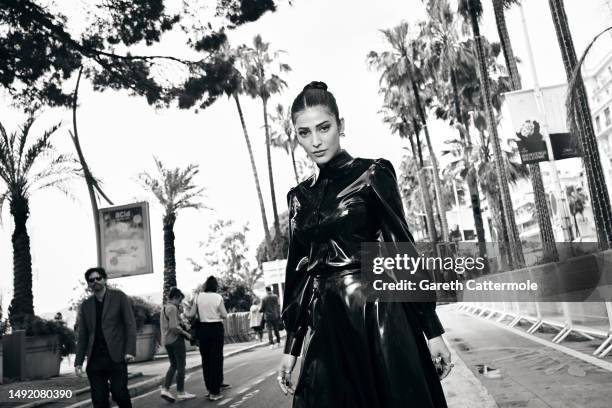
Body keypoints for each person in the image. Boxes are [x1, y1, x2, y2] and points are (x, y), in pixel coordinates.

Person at [277, 82, 452, 407]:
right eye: (304, 133)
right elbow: (298, 278)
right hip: (326, 325)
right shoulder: (299, 198)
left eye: (323, 128)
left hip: (379, 316)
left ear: (340, 126)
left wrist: (432, 331)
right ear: (296, 136)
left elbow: (400, 251)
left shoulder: (373, 174)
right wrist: (292, 346)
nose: (315, 141)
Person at [74, 267, 137, 408]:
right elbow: (83, 334)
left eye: (98, 278)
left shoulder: (119, 297)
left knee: (119, 392)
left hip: (116, 356)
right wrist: (78, 361)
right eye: (91, 280)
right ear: (89, 284)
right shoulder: (86, 305)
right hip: (95, 360)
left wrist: (130, 350)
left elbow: (130, 324)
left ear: (105, 279)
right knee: (99, 400)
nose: (95, 281)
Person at [187, 276, 229, 401]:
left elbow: (191, 314)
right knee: (216, 360)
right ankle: (215, 392)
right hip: (216, 329)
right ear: (215, 286)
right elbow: (225, 315)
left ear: (205, 285)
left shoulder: (198, 296)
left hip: (203, 330)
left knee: (206, 360)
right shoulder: (217, 297)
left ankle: (209, 389)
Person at [160, 287, 196, 402]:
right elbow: (174, 327)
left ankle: (165, 389)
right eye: (179, 300)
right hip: (175, 340)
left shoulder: (164, 307)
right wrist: (187, 334)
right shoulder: (172, 308)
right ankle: (181, 392)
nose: (180, 303)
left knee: (173, 365)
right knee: (181, 366)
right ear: (175, 297)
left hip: (166, 341)